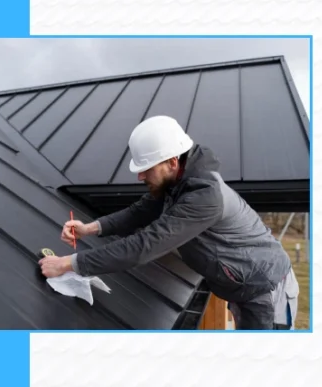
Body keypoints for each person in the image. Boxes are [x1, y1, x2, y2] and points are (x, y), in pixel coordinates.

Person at [38, 115, 299, 330]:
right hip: (242, 286)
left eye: (146, 167)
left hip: (265, 289)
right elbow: (139, 212)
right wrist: (90, 228)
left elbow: (143, 246)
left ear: (173, 162)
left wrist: (68, 264)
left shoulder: (204, 197)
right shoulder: (178, 183)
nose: (140, 175)